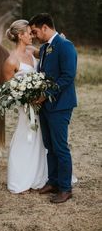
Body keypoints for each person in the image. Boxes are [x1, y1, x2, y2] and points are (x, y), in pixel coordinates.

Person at [29, 13, 77, 203]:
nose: (34, 35)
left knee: (60, 147)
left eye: (35, 31)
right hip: (45, 105)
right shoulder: (45, 48)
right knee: (49, 146)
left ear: (45, 28)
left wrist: (46, 94)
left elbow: (68, 76)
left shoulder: (65, 46)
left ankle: (65, 188)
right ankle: (54, 181)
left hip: (60, 105)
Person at [3, 19, 48, 194]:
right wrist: (26, 99)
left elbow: (47, 52)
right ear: (21, 36)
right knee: (26, 136)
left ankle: (40, 176)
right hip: (26, 107)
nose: (32, 35)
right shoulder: (11, 61)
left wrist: (59, 42)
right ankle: (20, 178)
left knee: (41, 138)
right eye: (29, 33)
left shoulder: (31, 51)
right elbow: (9, 90)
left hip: (41, 103)